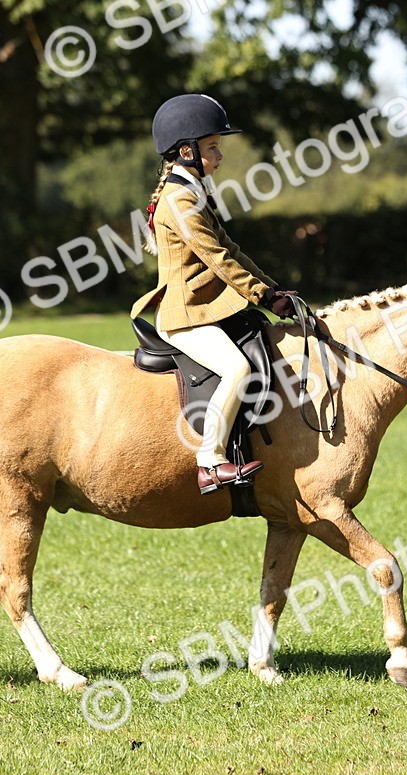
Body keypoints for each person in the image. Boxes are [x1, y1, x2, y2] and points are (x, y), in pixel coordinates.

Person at [131, 93, 299, 495]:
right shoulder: (179, 199)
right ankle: (210, 462)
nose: (220, 156)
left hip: (205, 309)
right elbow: (218, 258)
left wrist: (272, 290)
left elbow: (234, 250)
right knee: (237, 369)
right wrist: (261, 296)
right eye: (212, 148)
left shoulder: (194, 192)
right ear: (186, 151)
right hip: (185, 316)